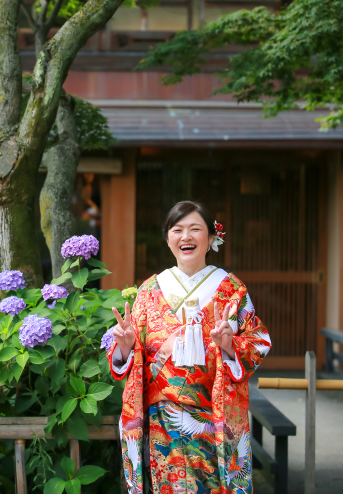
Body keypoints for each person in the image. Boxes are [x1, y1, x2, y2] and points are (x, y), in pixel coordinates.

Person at [108, 201, 271, 494]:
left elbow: (258, 341)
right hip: (161, 418)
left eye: (196, 229)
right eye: (177, 229)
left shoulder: (231, 288)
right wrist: (126, 347)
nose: (186, 236)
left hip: (213, 413)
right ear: (168, 237)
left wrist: (230, 346)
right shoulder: (150, 290)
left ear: (211, 238)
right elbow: (128, 357)